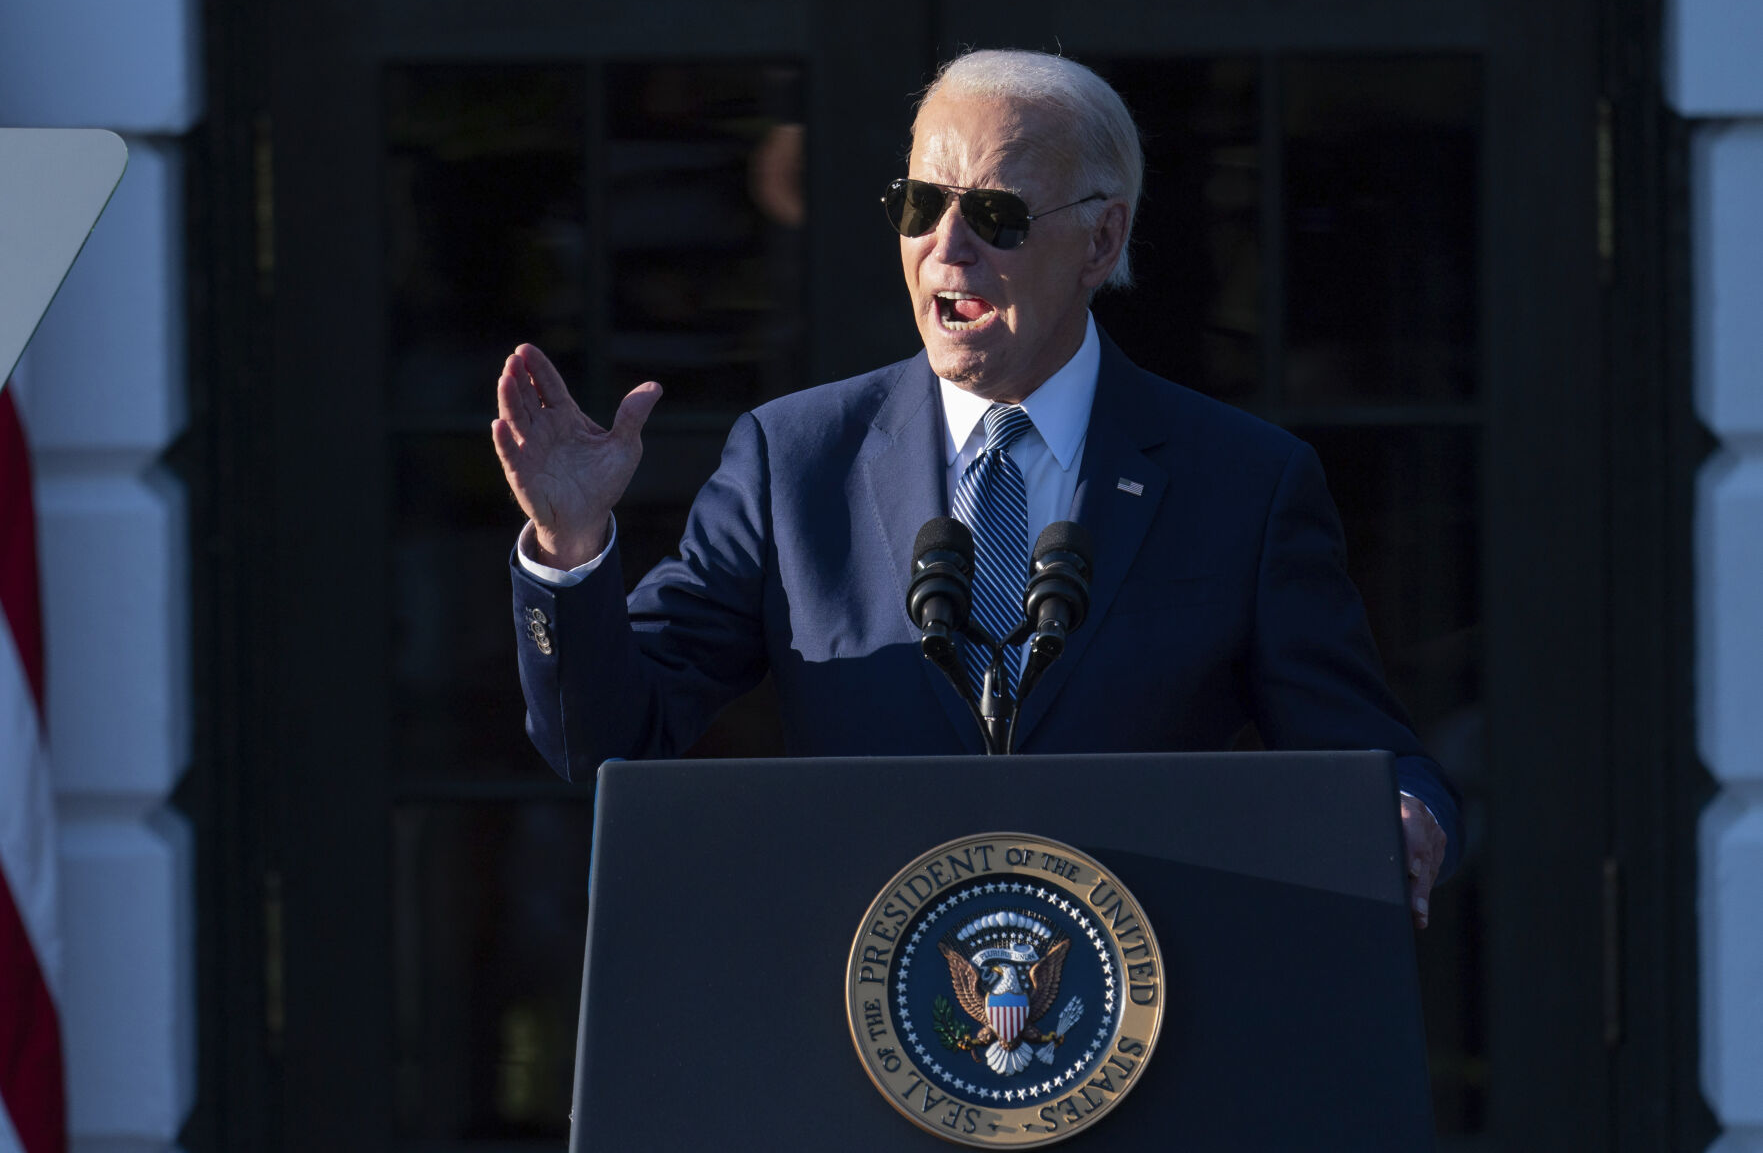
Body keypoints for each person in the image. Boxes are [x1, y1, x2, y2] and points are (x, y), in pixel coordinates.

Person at [492, 50, 1459, 926]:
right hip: (863, 1023)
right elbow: (608, 736)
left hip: (1139, 1025)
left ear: (1099, 239)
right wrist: (571, 548)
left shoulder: (1241, 481)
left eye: (994, 215)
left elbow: (1366, 754)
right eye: (920, 206)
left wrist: (1407, 814)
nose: (946, 249)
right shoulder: (795, 459)